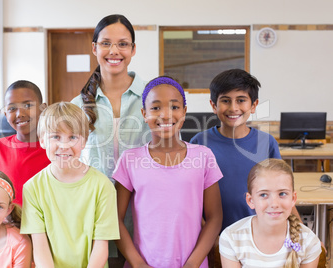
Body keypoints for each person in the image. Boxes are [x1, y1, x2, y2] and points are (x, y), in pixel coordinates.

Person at [113, 76, 223, 268]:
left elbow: (215, 217)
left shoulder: (203, 156)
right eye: (156, 108)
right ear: (144, 113)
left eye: (174, 107)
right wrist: (138, 264)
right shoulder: (130, 160)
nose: (165, 115)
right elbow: (115, 219)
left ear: (184, 112)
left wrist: (193, 263)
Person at [189, 69, 292, 231]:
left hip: (260, 236)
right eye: (225, 101)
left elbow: (282, 191)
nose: (233, 108)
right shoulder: (199, 143)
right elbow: (191, 198)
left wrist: (302, 234)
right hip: (213, 237)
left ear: (253, 105)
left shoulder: (267, 143)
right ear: (213, 106)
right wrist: (208, 237)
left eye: (241, 100)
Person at [21, 102, 119, 267]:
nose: (64, 145)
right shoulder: (32, 188)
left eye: (73, 137)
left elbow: (101, 246)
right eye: (56, 137)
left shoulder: (103, 186)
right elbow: (40, 248)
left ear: (84, 141)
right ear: (42, 141)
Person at [71, 14, 151, 180]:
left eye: (122, 44)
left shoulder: (152, 96)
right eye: (106, 43)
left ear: (133, 49)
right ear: (94, 48)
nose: (114, 51)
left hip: (143, 200)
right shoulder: (77, 105)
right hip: (94, 201)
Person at [219, 158, 321, 267]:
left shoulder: (309, 241)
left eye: (282, 193)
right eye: (263, 195)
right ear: (250, 200)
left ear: (293, 198)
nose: (274, 204)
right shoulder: (231, 238)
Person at [0, 80, 50, 206]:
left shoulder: (57, 148)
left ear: (43, 108)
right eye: (12, 108)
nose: (20, 114)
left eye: (28, 106)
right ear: (6, 114)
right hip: (8, 223)